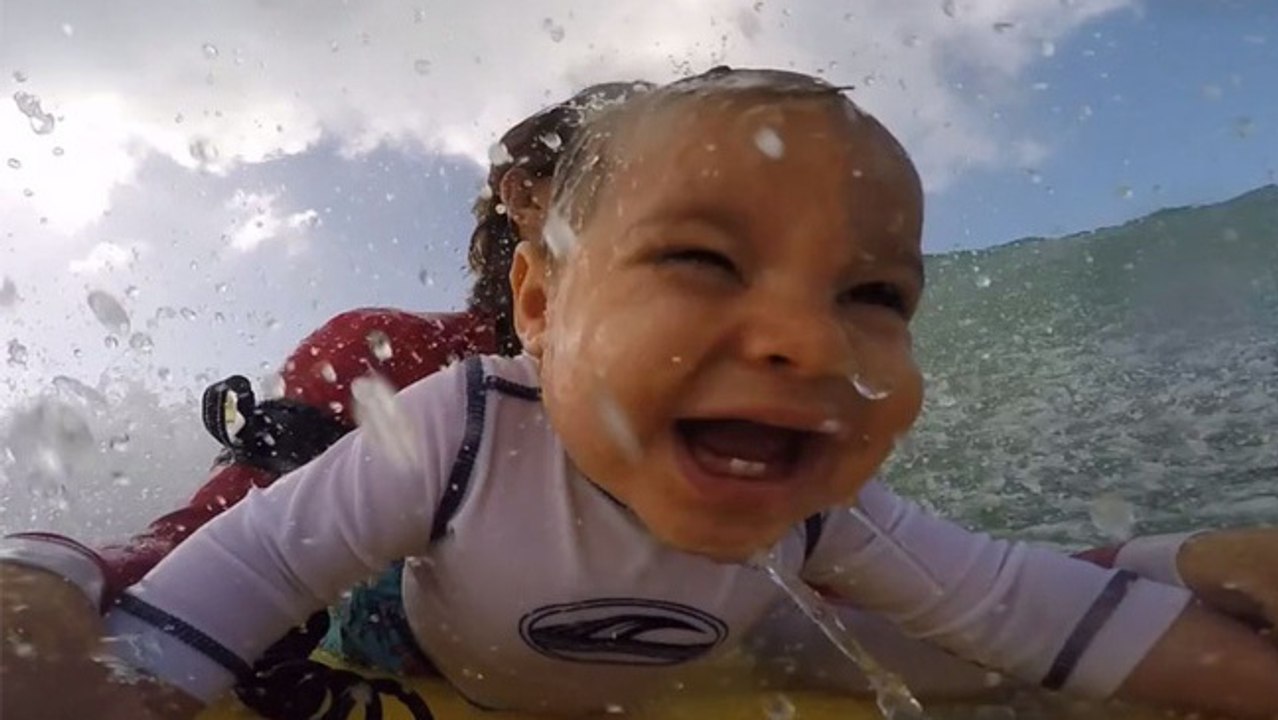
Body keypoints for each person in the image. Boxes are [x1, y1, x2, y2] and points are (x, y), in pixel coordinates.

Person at [3, 68, 1277, 720]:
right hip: (420, 612)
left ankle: (1163, 557)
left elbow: (998, 606)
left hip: (713, 612)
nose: (798, 332)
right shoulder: (421, 377)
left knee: (914, 617)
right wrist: (74, 597)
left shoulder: (769, 443)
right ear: (538, 254)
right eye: (699, 252)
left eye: (873, 296)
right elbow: (235, 542)